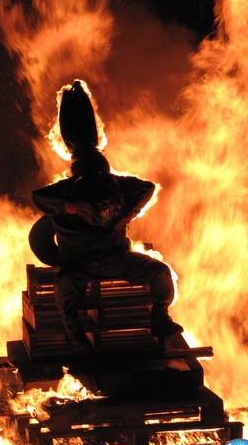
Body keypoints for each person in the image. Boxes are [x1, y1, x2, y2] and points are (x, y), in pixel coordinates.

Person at [31, 148, 182, 350]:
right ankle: (73, 330)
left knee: (160, 272)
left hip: (117, 258)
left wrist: (126, 216)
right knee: (63, 286)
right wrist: (73, 207)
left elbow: (147, 188)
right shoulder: (65, 191)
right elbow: (39, 197)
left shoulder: (116, 185)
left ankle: (160, 316)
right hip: (79, 265)